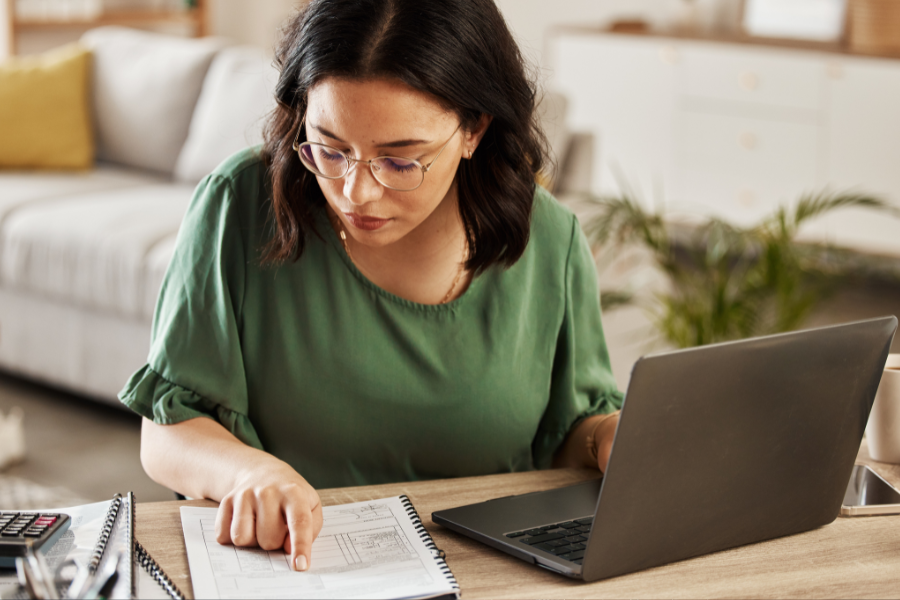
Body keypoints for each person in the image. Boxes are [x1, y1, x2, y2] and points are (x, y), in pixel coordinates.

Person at [120, 0, 622, 574]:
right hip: (297, 572)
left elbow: (571, 432)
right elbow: (166, 432)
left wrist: (609, 438)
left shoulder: (550, 241)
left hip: (494, 577)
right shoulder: (240, 205)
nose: (356, 192)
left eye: (400, 161)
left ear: (474, 130)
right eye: (330, 148)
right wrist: (249, 471)